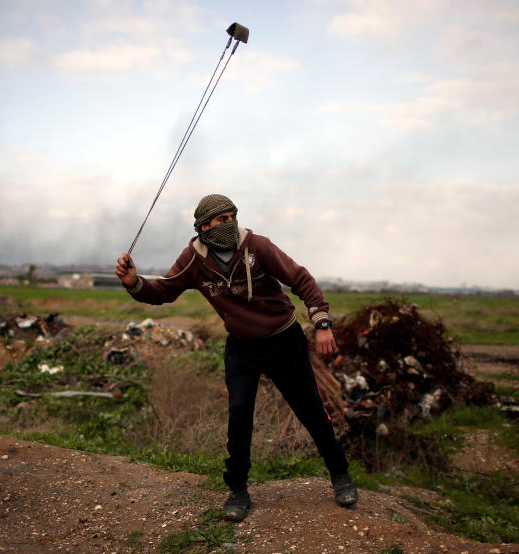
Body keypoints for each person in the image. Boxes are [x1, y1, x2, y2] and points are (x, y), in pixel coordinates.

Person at [115, 194, 357, 521]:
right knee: (239, 415)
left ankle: (340, 476)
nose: (229, 224)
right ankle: (238, 491)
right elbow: (163, 292)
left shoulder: (258, 246)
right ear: (203, 227)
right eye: (220, 220)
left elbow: (301, 279)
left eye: (232, 217)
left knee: (311, 411)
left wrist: (322, 323)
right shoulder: (193, 259)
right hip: (242, 346)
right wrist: (134, 283)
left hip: (284, 339)